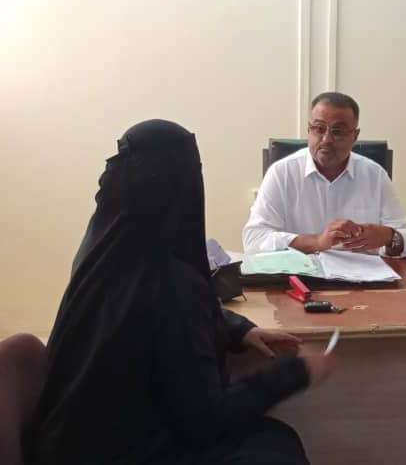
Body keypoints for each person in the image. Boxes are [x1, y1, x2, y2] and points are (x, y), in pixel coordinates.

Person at [27, 120, 333, 465]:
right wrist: (296, 373)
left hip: (67, 440)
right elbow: (205, 420)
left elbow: (141, 313)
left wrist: (237, 328)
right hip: (126, 451)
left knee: (272, 440)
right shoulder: (171, 282)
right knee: (276, 447)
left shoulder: (103, 250)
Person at [243, 92, 406, 257]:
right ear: (309, 130)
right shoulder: (282, 173)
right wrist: (317, 242)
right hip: (301, 274)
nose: (326, 139)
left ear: (355, 136)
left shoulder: (375, 175)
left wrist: (388, 236)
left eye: (337, 131)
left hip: (363, 274)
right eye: (319, 128)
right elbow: (254, 240)